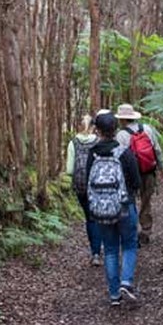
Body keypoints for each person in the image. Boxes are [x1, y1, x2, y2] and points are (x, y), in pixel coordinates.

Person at [86, 111, 142, 306]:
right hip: (125, 207)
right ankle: (126, 281)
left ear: (98, 130)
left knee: (109, 249)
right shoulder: (124, 152)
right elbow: (136, 181)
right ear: (115, 129)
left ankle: (114, 295)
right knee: (129, 244)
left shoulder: (92, 154)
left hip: (101, 210)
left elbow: (87, 183)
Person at [114, 103, 163, 245]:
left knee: (130, 201)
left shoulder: (121, 135)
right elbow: (157, 150)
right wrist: (161, 168)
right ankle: (146, 230)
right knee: (146, 201)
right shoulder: (147, 129)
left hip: (130, 175)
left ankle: (132, 231)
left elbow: (119, 157)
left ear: (122, 119)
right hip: (148, 171)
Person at [66, 114, 103, 266]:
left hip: (80, 186)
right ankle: (98, 250)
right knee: (98, 217)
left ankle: (94, 252)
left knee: (89, 218)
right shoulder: (98, 141)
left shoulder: (72, 143)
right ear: (93, 126)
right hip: (97, 185)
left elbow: (69, 170)